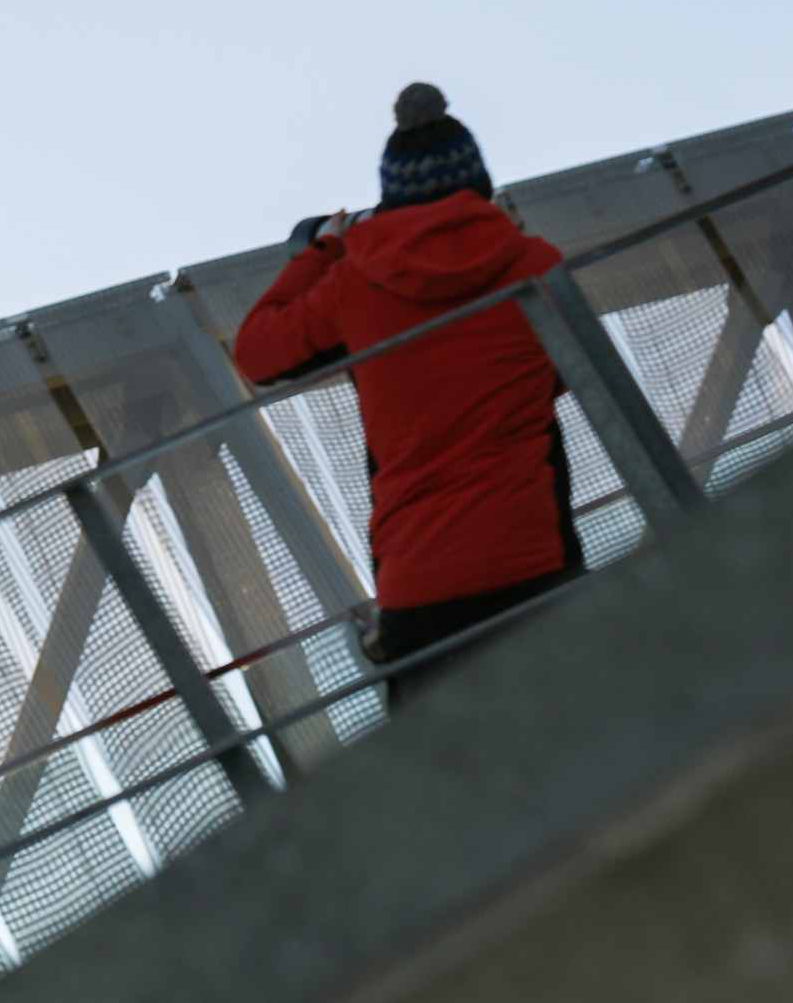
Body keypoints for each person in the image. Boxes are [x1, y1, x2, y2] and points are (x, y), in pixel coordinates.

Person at [231, 85, 581, 705]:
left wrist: (323, 251)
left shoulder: (353, 283)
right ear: (478, 185)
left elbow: (258, 353)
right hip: (532, 555)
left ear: (389, 197)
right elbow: (567, 373)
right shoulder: (533, 263)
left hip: (416, 584)